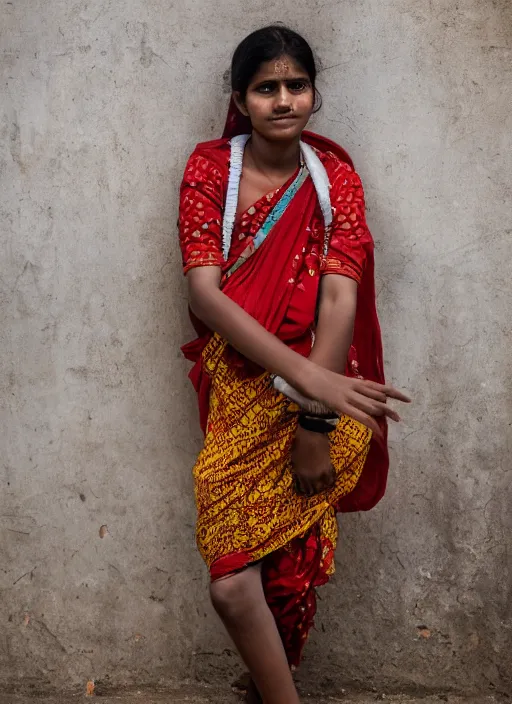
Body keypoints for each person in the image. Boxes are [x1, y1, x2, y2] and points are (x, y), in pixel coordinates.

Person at [178, 25, 410, 704]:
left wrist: (315, 417)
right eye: (266, 88)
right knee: (230, 577)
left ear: (313, 92)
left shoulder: (334, 178)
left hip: (321, 404)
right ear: (241, 99)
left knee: (289, 567)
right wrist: (309, 377)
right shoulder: (210, 170)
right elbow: (204, 292)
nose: (284, 100)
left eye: (296, 85)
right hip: (247, 395)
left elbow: (340, 295)